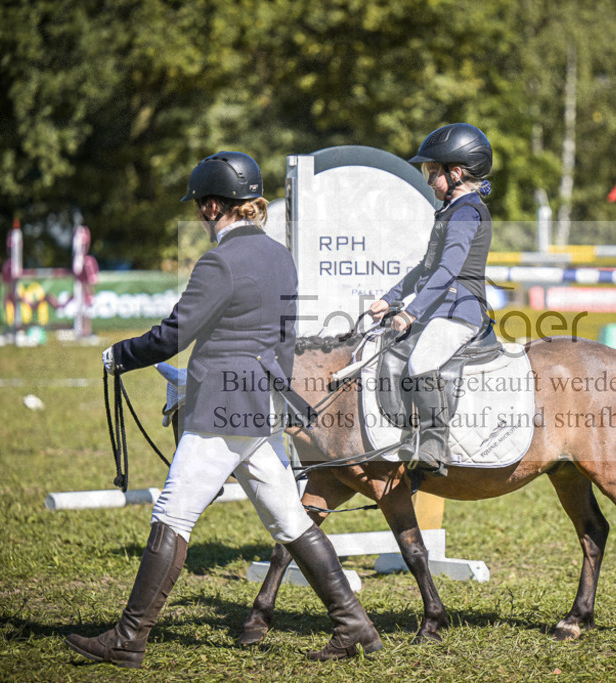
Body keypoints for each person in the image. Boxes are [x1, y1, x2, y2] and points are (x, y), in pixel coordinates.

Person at [65, 151, 382, 667]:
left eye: (199, 206)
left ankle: (128, 638)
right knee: (287, 518)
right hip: (260, 405)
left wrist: (120, 355)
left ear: (214, 205)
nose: (197, 215)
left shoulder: (219, 261)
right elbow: (284, 338)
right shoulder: (280, 255)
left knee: (173, 513)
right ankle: (356, 626)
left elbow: (173, 335)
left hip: (221, 408)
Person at [369, 123, 494, 477]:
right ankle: (406, 433)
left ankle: (434, 444)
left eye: (433, 172)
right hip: (440, 307)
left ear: (456, 173)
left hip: (460, 310)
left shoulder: (467, 213)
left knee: (421, 361)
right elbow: (426, 268)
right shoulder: (450, 210)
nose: (428, 181)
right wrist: (388, 298)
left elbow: (448, 272)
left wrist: (410, 312)